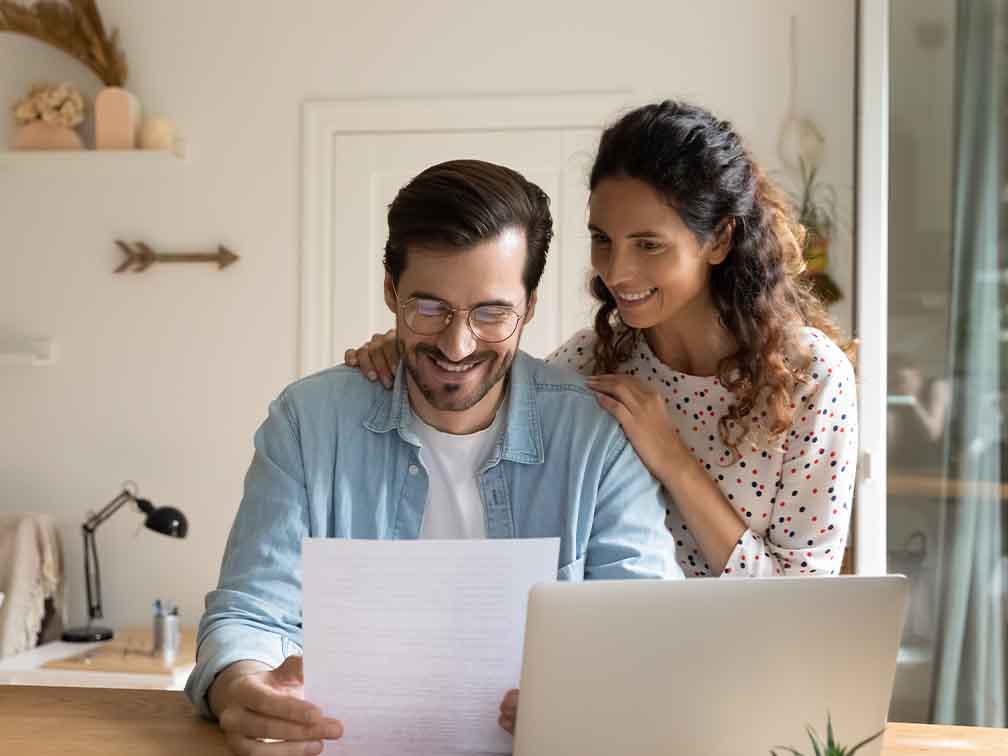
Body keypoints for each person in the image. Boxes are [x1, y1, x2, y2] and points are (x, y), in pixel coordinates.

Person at [186, 159, 680, 755]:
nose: (457, 344)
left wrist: (588, 699)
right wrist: (242, 688)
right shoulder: (308, 422)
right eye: (429, 308)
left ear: (528, 306)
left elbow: (645, 632)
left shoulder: (597, 437)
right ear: (391, 291)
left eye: (491, 313)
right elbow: (250, 613)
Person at [348, 101, 859, 585]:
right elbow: (480, 396)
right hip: (615, 661)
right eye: (602, 239)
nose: (617, 271)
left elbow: (798, 599)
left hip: (747, 671)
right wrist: (418, 350)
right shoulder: (589, 363)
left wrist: (672, 460)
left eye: (648, 244)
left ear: (719, 240)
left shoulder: (812, 380)